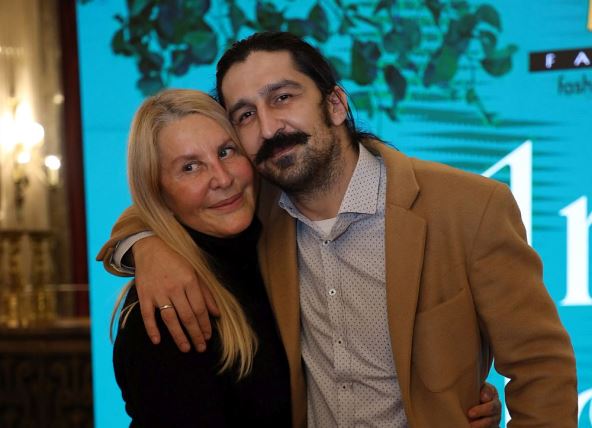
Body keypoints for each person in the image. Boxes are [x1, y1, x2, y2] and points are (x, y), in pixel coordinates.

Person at [98, 32, 577, 427]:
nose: (269, 127)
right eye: (245, 115)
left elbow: (542, 368)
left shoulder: (467, 207)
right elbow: (157, 205)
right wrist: (147, 246)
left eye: (282, 98)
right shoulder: (257, 210)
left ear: (334, 103)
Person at [110, 89, 292, 426]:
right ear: (158, 193)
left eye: (226, 151)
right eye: (190, 167)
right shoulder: (170, 311)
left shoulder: (274, 239)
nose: (222, 178)